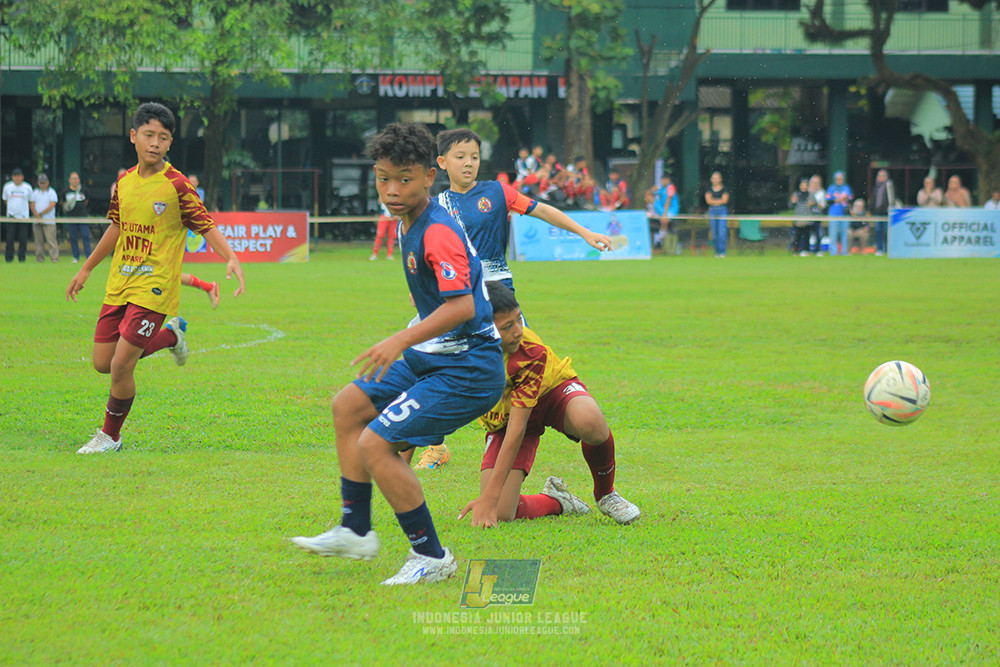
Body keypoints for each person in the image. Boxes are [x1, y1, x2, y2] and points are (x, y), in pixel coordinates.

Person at [291, 122, 505, 585]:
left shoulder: (436, 231)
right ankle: (355, 528)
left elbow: (463, 306)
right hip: (437, 355)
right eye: (383, 178)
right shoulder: (410, 221)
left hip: (468, 366)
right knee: (348, 406)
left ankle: (432, 556)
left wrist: (400, 339)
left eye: (404, 179)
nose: (391, 189)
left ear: (430, 176)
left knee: (376, 443)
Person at [65, 102, 246, 455]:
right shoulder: (124, 182)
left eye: (163, 138)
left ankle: (110, 437)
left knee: (121, 364)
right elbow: (116, 227)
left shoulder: (177, 185)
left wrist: (232, 257)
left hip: (156, 286)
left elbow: (206, 224)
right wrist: (86, 268)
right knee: (103, 363)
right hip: (121, 281)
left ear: (170, 143)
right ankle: (171, 336)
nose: (155, 143)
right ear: (134, 136)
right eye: (149, 135)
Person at [458, 281, 641, 527]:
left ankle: (606, 494)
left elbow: (519, 429)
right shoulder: (461, 349)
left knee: (591, 422)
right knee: (501, 512)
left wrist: (489, 496)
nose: (518, 331)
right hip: (507, 415)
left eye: (519, 319)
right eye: (507, 326)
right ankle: (558, 500)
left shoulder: (528, 352)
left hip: (550, 391)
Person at [434, 128, 612, 297]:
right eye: (460, 157)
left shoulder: (497, 192)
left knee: (517, 330)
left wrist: (585, 232)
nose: (468, 163)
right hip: (459, 291)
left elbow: (542, 210)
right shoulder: (436, 207)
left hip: (497, 287)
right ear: (442, 162)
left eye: (475, 157)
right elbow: (430, 252)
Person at [2, 168, 33, 263]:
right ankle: (9, 258)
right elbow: (5, 200)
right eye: (15, 176)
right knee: (9, 239)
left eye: (18, 176)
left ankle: (21, 258)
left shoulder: (28, 187)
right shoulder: (7, 187)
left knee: (23, 239)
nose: (17, 178)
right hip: (11, 217)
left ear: (22, 177)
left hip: (23, 217)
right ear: (12, 177)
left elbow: (31, 201)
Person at [30, 173, 60, 262]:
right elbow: (32, 204)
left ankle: (54, 258)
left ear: (47, 182)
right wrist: (36, 215)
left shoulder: (52, 192)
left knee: (51, 240)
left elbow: (52, 204)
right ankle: (39, 258)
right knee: (38, 241)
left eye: (44, 182)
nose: (42, 184)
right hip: (37, 221)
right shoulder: (35, 192)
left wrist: (41, 214)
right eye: (41, 182)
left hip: (49, 221)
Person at [63, 171, 92, 263]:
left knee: (85, 236)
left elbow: (86, 201)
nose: (75, 181)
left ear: (79, 180)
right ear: (69, 180)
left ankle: (88, 257)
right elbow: (64, 203)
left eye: (76, 179)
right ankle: (76, 257)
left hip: (83, 218)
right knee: (73, 237)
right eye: (73, 179)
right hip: (71, 218)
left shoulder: (84, 190)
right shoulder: (65, 191)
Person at [651, 174, 680, 255]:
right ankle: (660, 240)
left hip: (671, 209)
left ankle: (660, 240)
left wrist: (664, 214)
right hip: (662, 208)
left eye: (664, 180)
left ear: (668, 180)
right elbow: (649, 194)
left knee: (664, 220)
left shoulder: (670, 187)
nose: (663, 181)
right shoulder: (661, 188)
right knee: (650, 198)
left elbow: (668, 201)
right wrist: (652, 189)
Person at [825, 171, 852, 256]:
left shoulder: (846, 188)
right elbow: (828, 201)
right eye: (837, 179)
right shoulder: (831, 188)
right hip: (833, 214)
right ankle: (833, 252)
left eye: (840, 179)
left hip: (844, 214)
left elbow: (850, 199)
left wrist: (846, 199)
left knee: (844, 234)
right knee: (833, 234)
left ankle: (844, 252)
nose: (839, 181)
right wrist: (837, 200)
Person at [869, 169, 895, 256]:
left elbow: (891, 198)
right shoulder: (876, 187)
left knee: (887, 231)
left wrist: (890, 208)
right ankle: (879, 249)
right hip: (877, 213)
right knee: (877, 231)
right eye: (879, 176)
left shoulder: (889, 185)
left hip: (886, 213)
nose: (881, 178)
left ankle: (888, 249)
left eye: (883, 176)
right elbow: (873, 199)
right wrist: (870, 210)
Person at [704, 171, 729, 258]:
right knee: (714, 232)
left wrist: (714, 201)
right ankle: (717, 251)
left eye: (717, 178)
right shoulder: (708, 189)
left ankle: (722, 251)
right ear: (711, 180)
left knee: (722, 232)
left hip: (722, 211)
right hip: (712, 211)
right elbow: (708, 201)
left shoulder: (724, 189)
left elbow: (724, 200)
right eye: (713, 178)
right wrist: (719, 201)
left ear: (720, 179)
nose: (715, 180)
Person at [790, 178, 813, 256]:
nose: (804, 186)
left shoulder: (810, 195)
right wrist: (793, 202)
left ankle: (807, 251)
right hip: (798, 220)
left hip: (807, 219)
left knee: (807, 236)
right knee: (797, 237)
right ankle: (796, 251)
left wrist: (812, 204)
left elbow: (815, 205)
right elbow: (790, 205)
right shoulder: (796, 194)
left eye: (805, 185)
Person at [808, 174, 827, 256]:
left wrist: (815, 204)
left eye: (817, 183)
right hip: (808, 216)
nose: (815, 184)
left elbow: (823, 205)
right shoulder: (807, 192)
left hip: (817, 215)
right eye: (813, 183)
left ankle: (818, 250)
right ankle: (807, 249)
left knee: (818, 233)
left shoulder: (822, 192)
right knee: (807, 233)